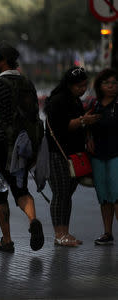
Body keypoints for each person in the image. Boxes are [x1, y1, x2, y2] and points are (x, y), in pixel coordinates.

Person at [0, 41, 44, 253]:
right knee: (21, 189)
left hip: (0, 145)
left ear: (3, 61)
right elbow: (35, 117)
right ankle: (33, 220)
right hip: (24, 146)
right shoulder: (28, 83)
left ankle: (6, 240)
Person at [44, 66, 100, 247]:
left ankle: (65, 233)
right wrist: (83, 120)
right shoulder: (58, 101)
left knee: (66, 195)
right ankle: (59, 234)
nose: (82, 89)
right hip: (58, 155)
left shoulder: (75, 101)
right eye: (78, 86)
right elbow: (61, 127)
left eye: (85, 85)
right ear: (69, 85)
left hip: (73, 156)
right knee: (60, 195)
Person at [87, 68, 118, 245]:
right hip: (98, 155)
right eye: (107, 83)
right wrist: (88, 138)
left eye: (114, 83)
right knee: (104, 197)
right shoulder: (94, 104)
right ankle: (107, 233)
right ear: (100, 85)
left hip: (116, 155)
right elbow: (86, 126)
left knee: (117, 195)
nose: (111, 86)